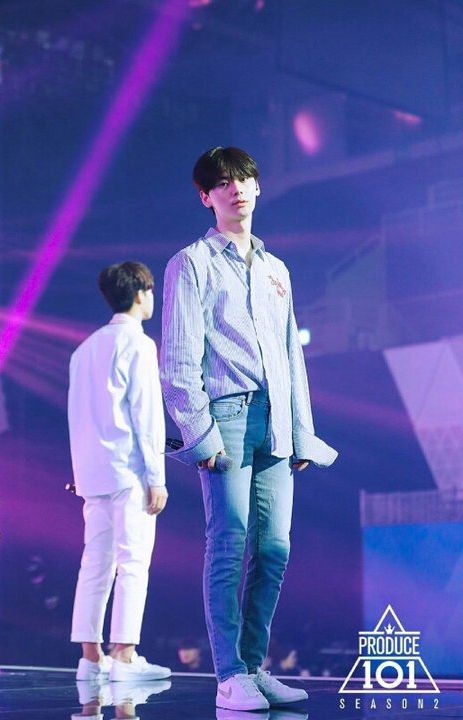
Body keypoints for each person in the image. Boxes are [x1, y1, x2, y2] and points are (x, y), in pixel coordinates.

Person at [160, 146, 338, 711]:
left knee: (276, 549)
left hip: (276, 418)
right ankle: (229, 675)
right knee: (229, 543)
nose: (235, 187)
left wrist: (301, 432)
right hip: (228, 417)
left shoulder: (275, 268)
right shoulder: (191, 263)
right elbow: (178, 359)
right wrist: (200, 433)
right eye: (222, 182)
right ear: (205, 197)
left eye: (244, 178)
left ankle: (255, 668)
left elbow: (291, 356)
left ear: (258, 186)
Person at [68, 261, 171, 683]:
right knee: (133, 562)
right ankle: (124, 655)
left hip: (93, 474)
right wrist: (157, 478)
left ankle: (91, 658)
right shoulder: (138, 344)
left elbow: (76, 416)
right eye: (151, 290)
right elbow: (147, 416)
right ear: (141, 293)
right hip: (128, 472)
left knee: (95, 563)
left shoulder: (84, 349)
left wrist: (80, 470)